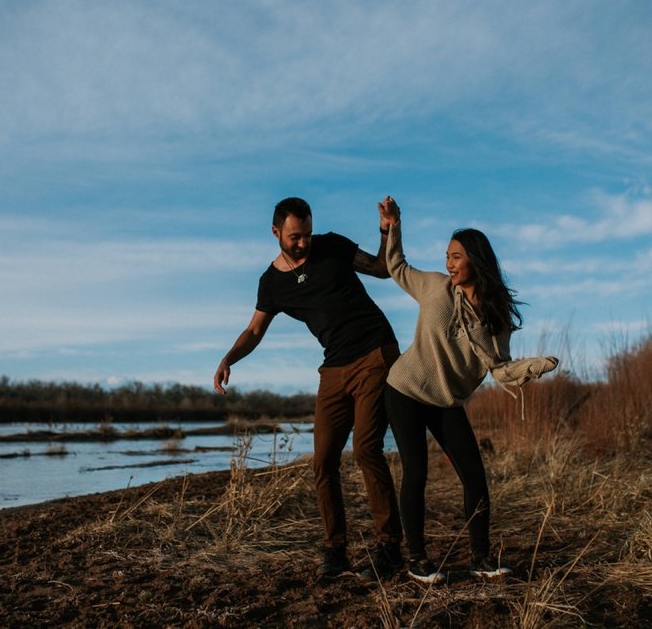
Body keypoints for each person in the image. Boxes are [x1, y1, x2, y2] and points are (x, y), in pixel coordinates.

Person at [213, 197, 405, 580]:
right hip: (333, 366)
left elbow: (382, 269)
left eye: (307, 235)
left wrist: (388, 228)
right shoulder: (272, 283)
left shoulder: (332, 245)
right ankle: (335, 552)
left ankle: (390, 550)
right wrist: (228, 358)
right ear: (276, 233)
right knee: (323, 461)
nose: (303, 243)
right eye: (295, 237)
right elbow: (254, 330)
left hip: (374, 352)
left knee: (366, 448)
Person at [377, 196, 558, 584]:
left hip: (445, 400)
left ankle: (480, 558)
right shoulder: (435, 288)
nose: (449, 264)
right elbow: (396, 267)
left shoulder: (496, 317)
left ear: (476, 259)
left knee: (475, 477)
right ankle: (418, 560)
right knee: (416, 473)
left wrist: (532, 367)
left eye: (456, 256)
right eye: (447, 256)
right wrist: (393, 226)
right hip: (405, 389)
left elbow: (500, 370)